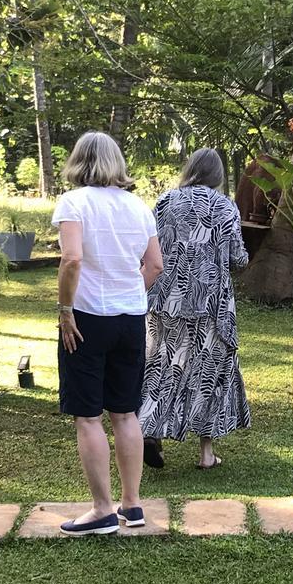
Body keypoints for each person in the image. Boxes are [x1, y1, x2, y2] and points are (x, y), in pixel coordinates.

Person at [53, 131, 163, 536]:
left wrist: (66, 309)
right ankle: (132, 506)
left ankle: (101, 510)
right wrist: (129, 291)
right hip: (130, 319)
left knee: (87, 415)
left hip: (86, 318)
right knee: (125, 411)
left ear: (78, 161)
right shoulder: (138, 205)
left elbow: (72, 258)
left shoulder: (74, 202)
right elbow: (154, 265)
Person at [140, 148, 251, 471]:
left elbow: (147, 248)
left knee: (160, 365)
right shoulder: (224, 206)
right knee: (210, 373)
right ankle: (205, 453)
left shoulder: (164, 201)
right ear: (217, 175)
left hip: (165, 301)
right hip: (211, 306)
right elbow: (238, 259)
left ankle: (149, 427)